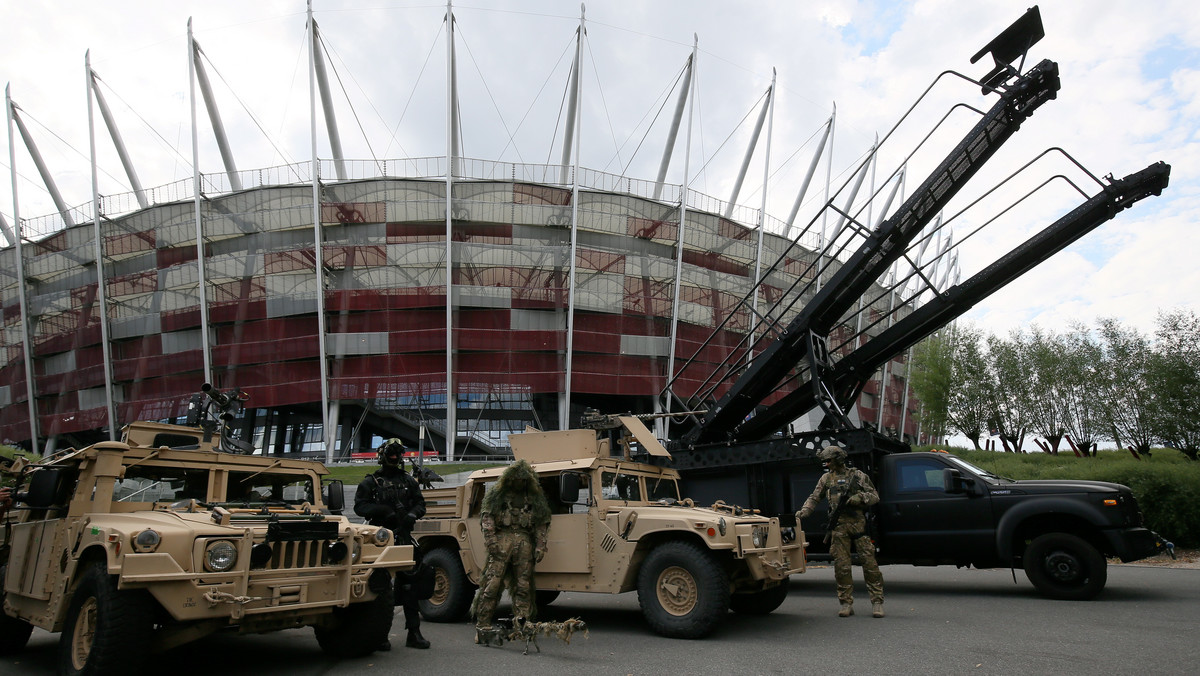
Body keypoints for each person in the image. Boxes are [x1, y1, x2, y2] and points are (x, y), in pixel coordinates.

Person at [354, 438, 430, 650]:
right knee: (380, 586)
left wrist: (411, 516)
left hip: (404, 536)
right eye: (391, 454)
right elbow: (360, 506)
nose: (395, 459)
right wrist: (384, 512)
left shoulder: (408, 481)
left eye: (397, 455)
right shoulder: (372, 482)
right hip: (379, 540)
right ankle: (380, 635)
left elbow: (420, 504)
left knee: (410, 585)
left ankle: (414, 633)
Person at [796, 445, 885, 618]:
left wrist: (859, 498)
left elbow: (874, 496)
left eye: (829, 460)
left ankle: (877, 602)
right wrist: (804, 512)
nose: (827, 464)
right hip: (838, 528)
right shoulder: (826, 479)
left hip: (858, 526)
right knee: (841, 567)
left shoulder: (857, 476)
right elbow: (814, 497)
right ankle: (845, 603)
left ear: (838, 459)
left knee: (870, 565)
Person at [471, 459, 551, 644]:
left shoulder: (533, 497)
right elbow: (487, 516)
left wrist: (540, 546)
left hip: (523, 543)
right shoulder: (498, 495)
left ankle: (522, 626)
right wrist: (491, 541)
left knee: (523, 587)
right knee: (492, 585)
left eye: (522, 479)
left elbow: (542, 522)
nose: (518, 482)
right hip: (502, 542)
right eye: (515, 479)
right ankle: (483, 627)